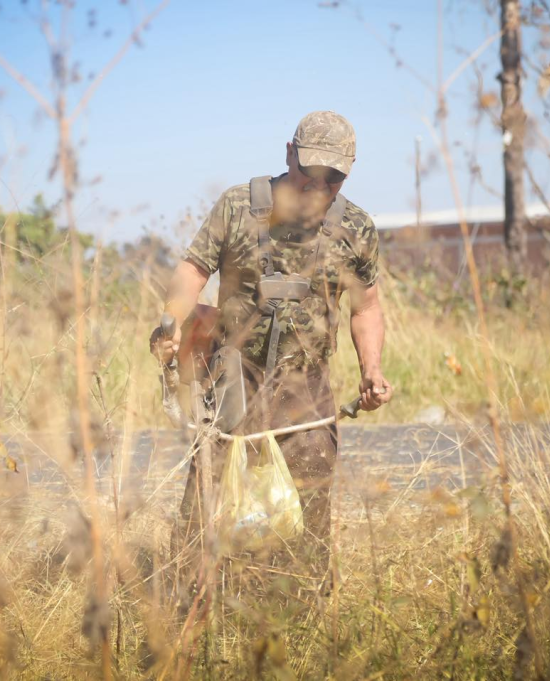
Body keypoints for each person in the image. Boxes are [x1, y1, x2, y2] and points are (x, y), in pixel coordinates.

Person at [150, 110, 392, 582]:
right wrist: (172, 322)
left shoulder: (356, 229)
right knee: (209, 497)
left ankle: (299, 607)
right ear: (288, 154)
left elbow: (366, 308)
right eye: (308, 172)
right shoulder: (238, 205)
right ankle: (190, 601)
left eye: (332, 179)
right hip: (235, 378)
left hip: (307, 388)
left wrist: (372, 369)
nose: (316, 187)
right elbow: (193, 270)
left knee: (310, 502)